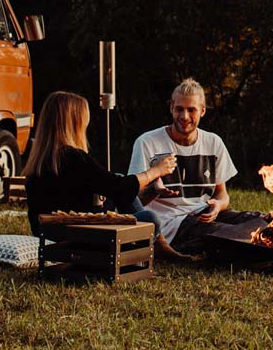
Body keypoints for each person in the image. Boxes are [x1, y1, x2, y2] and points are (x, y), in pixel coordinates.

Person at [127, 79, 262, 255]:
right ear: (171, 108)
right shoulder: (147, 142)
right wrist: (154, 190)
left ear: (203, 111)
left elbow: (222, 193)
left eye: (191, 110)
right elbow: (132, 201)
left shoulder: (213, 142)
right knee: (226, 233)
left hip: (203, 213)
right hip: (172, 225)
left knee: (261, 220)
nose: (184, 116)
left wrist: (218, 205)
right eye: (179, 109)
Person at [22, 91, 176, 240]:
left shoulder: (39, 162)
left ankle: (160, 246)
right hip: (78, 237)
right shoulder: (73, 158)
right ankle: (157, 246)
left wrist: (150, 189)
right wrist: (156, 171)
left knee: (119, 180)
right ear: (74, 124)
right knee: (150, 218)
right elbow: (120, 188)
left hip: (49, 234)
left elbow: (108, 187)